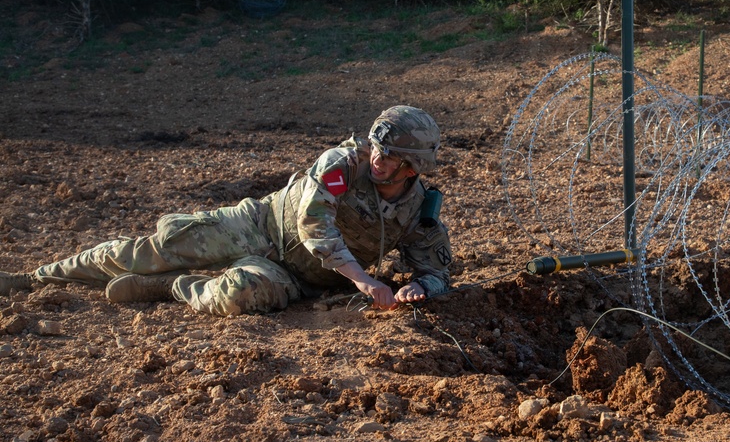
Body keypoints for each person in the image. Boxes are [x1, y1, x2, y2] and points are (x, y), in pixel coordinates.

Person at [0, 106, 452, 315]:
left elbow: (435, 269)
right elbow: (313, 223)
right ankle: (35, 277)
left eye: (391, 156)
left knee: (241, 296)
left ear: (414, 168)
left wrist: (419, 286)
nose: (378, 159)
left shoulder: (418, 209)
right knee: (157, 247)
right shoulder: (342, 164)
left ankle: (171, 289)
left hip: (300, 279)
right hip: (257, 228)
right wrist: (365, 279)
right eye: (377, 147)